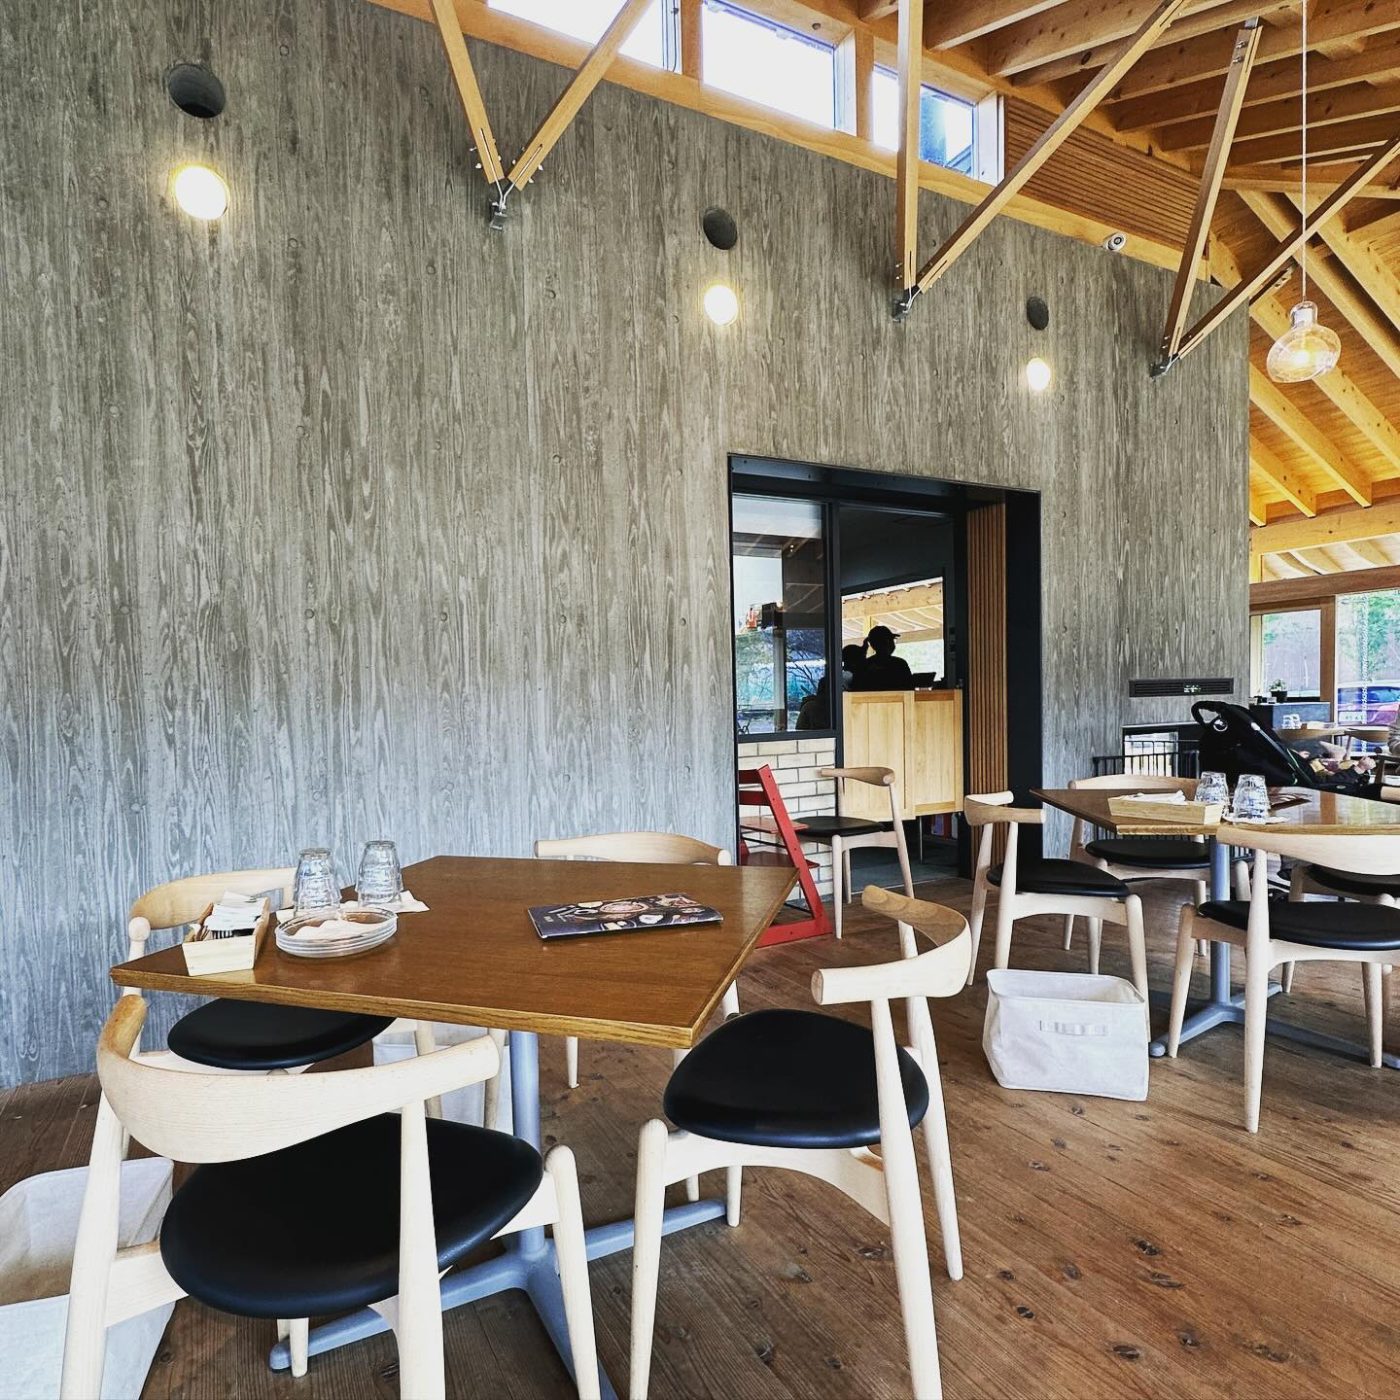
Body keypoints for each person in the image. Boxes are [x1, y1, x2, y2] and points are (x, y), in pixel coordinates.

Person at [855, 625, 913, 690]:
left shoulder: (864, 665)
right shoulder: (899, 664)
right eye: (892, 640)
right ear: (887, 642)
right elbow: (909, 688)